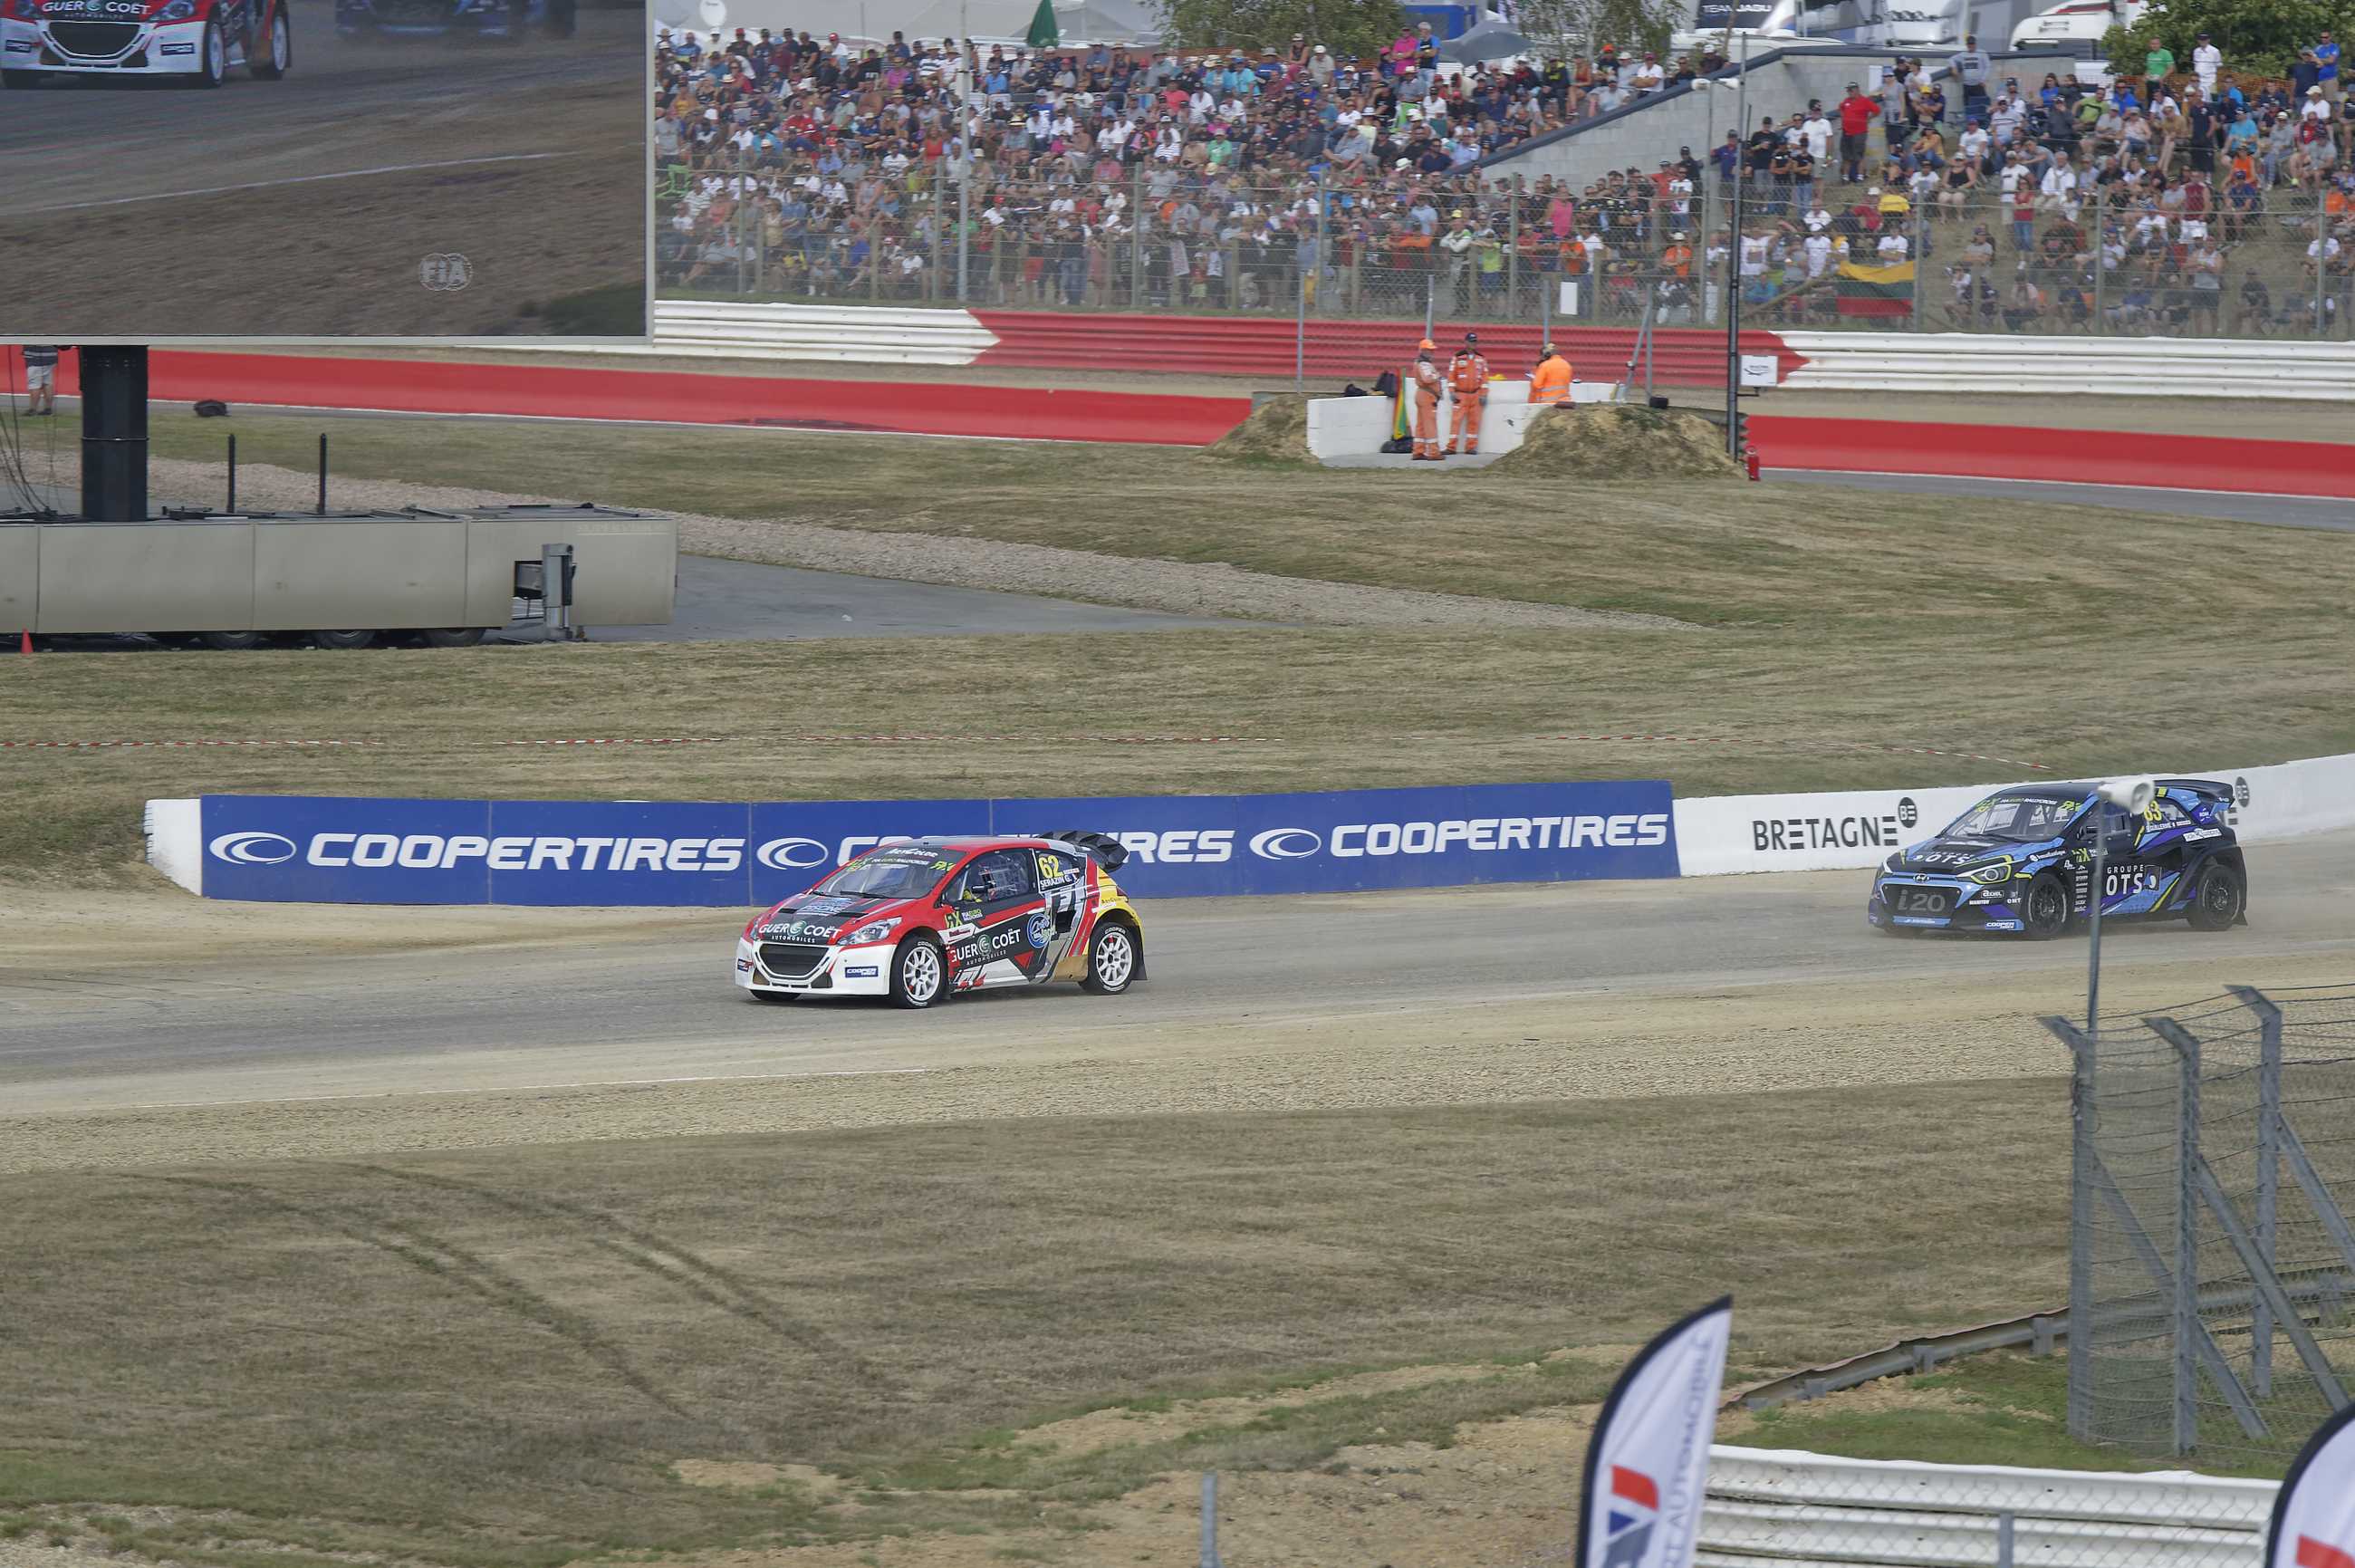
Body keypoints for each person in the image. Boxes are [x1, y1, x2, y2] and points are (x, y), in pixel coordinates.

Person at [1444, 332, 1489, 456]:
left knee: (1474, 421)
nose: (1473, 344)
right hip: (1460, 394)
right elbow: (1451, 375)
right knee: (1456, 421)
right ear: (1466, 342)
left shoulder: (1481, 358)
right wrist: (1452, 392)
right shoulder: (1458, 357)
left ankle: (1471, 447)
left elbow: (1485, 378)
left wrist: (1484, 394)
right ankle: (1451, 447)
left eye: (1475, 342)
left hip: (1475, 394)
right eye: (1471, 341)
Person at [1410, 338, 1444, 461]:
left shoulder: (1420, 362)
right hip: (1427, 396)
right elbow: (1427, 379)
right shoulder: (1424, 364)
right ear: (1423, 350)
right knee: (1430, 424)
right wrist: (1437, 375)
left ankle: (1418, 451)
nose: (1431, 352)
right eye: (1429, 350)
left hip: (1422, 394)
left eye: (1432, 350)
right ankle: (1434, 453)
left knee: (1421, 425)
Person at [21, 345, 61, 416]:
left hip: (36, 357)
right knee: (47, 383)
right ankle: (48, 409)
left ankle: (33, 409)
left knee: (34, 384)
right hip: (51, 355)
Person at [1529, 341, 1572, 406]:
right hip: (1565, 402)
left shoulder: (1545, 365)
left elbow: (1537, 385)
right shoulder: (1567, 365)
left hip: (1548, 403)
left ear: (1546, 355)